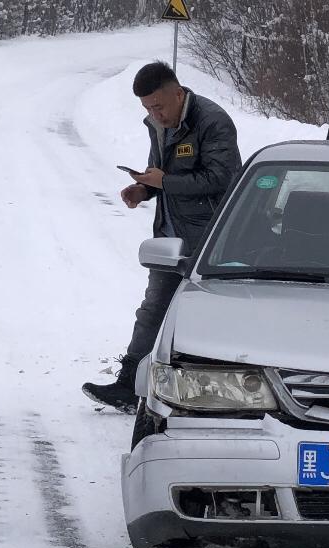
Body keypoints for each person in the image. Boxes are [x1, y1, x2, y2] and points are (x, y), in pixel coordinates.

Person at [83, 61, 241, 411]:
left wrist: (162, 182)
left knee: (205, 316)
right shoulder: (158, 124)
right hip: (171, 238)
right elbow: (163, 173)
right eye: (147, 108)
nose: (155, 114)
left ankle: (216, 393)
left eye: (159, 105)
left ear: (178, 92)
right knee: (152, 310)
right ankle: (128, 385)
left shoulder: (213, 122)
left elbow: (220, 180)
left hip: (212, 239)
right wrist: (144, 189)